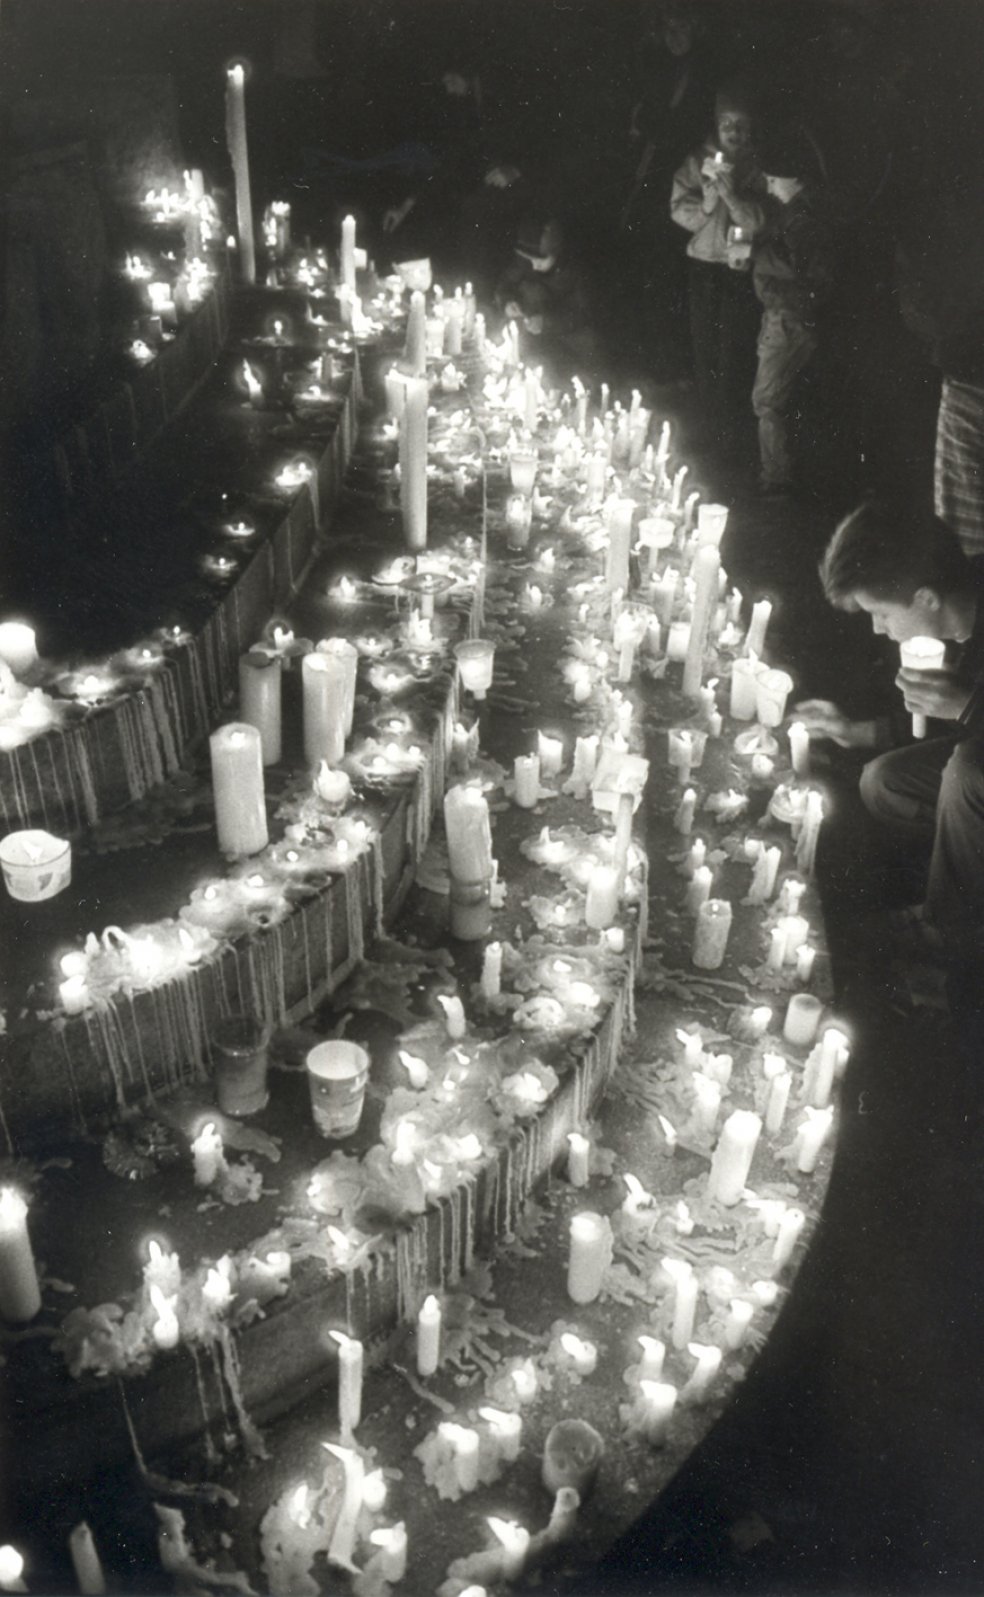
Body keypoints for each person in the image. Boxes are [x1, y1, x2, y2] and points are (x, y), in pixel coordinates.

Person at [796, 501, 984, 963]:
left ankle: (952, 934)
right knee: (884, 782)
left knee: (967, 772)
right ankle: (958, 883)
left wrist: (968, 705)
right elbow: (945, 719)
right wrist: (854, 731)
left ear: (926, 598)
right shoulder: (955, 611)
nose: (878, 628)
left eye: (880, 613)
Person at [670, 82, 767, 468]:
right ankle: (708, 431)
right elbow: (679, 210)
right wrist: (707, 203)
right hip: (703, 267)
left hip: (738, 271)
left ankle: (731, 438)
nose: (734, 132)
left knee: (733, 352)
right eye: (727, 124)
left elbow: (761, 221)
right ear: (717, 124)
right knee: (704, 349)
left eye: (742, 125)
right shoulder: (698, 161)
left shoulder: (759, 165)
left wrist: (731, 197)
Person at [750, 126, 836, 496]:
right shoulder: (802, 214)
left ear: (795, 177)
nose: (769, 188)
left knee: (768, 401)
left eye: (773, 179)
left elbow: (809, 279)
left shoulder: (803, 221)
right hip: (787, 318)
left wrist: (763, 274)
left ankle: (777, 480)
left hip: (789, 321)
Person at [494, 216, 596, 375]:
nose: (534, 266)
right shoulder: (525, 263)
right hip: (528, 334)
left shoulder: (575, 272)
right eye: (530, 260)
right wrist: (507, 303)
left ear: (556, 252)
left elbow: (582, 313)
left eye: (540, 261)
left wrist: (546, 322)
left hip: (563, 337)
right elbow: (505, 285)